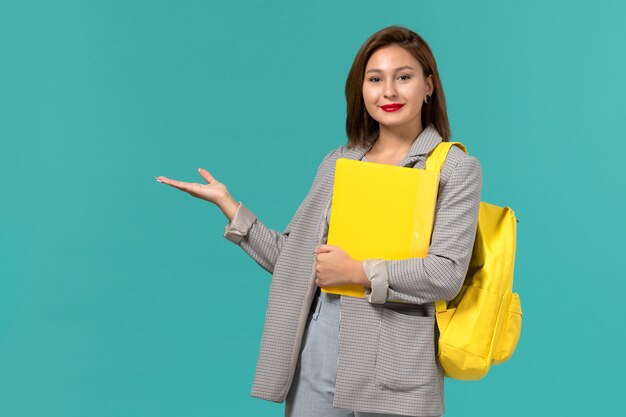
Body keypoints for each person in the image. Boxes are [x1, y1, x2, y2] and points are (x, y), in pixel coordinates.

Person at [156, 25, 482, 417]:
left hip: (397, 366)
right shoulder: (339, 162)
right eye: (375, 79)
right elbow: (296, 261)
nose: (389, 91)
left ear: (428, 86)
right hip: (320, 353)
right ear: (361, 90)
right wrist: (230, 206)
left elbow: (444, 274)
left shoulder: (454, 169)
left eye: (404, 77)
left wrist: (359, 271)